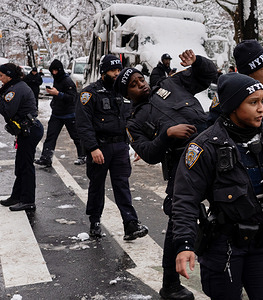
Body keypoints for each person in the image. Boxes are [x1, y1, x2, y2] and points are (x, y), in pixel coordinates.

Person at [172, 72, 263, 299]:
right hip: (223, 248)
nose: (261, 109)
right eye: (252, 102)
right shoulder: (205, 146)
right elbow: (185, 199)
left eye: (262, 101)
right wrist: (184, 244)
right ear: (233, 106)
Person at [117, 49, 216, 300]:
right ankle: (170, 284)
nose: (141, 85)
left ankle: (231, 268)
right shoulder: (134, 122)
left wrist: (197, 62)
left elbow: (207, 76)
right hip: (183, 164)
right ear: (126, 93)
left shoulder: (170, 82)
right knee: (178, 219)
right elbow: (148, 153)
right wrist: (167, 135)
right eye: (134, 85)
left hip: (213, 149)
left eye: (141, 79)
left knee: (230, 204)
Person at [76, 54, 148, 241]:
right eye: (113, 70)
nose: (117, 73)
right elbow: (83, 124)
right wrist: (92, 148)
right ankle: (95, 221)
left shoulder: (125, 93)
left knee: (122, 186)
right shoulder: (89, 93)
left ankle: (130, 224)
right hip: (100, 148)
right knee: (97, 186)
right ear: (103, 72)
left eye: (119, 70)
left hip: (120, 147)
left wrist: (139, 145)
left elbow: (134, 121)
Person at [0, 63, 44, 211]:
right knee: (21, 165)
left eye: (1, 76)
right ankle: (17, 196)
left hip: (30, 130)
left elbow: (8, 111)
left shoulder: (16, 89)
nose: (0, 79)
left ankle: (28, 200)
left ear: (9, 75)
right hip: (26, 130)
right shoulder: (14, 87)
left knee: (26, 166)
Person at [34, 59, 86, 167]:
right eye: (52, 71)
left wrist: (58, 94)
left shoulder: (67, 81)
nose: (54, 73)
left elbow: (72, 97)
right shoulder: (57, 79)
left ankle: (83, 156)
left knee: (76, 136)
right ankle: (46, 158)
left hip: (69, 114)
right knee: (50, 137)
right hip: (57, 113)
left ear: (60, 70)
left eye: (55, 71)